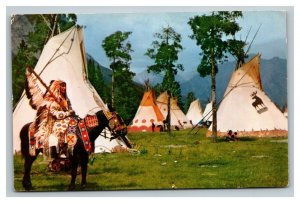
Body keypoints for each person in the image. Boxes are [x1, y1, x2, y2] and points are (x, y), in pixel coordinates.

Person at [31, 80, 74, 157]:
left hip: (67, 118)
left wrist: (71, 112)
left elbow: (70, 108)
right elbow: (53, 112)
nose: (64, 88)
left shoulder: (66, 99)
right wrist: (66, 113)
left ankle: (73, 148)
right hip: (55, 120)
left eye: (65, 86)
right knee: (61, 128)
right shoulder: (54, 100)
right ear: (58, 87)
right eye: (62, 86)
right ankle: (62, 150)